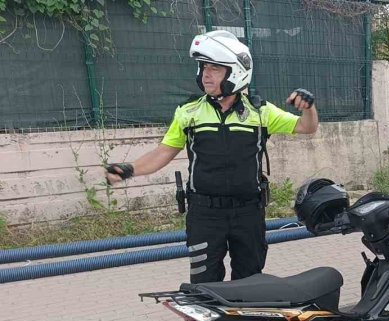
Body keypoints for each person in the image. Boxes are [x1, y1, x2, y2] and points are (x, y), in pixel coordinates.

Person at [104, 30, 318, 283]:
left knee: (250, 281)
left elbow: (307, 127)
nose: (205, 74)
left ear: (235, 72)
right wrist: (129, 169)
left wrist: (308, 107)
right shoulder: (189, 112)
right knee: (205, 284)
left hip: (248, 211)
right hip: (204, 214)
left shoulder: (260, 112)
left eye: (214, 68)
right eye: (204, 67)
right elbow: (163, 152)